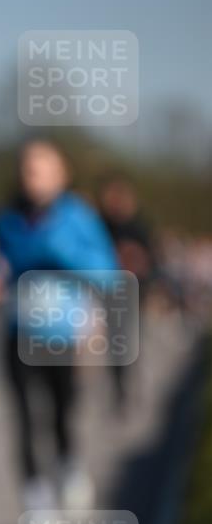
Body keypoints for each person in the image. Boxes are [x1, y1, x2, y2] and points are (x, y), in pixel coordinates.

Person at [0, 140, 118, 511]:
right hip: (18, 333)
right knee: (25, 416)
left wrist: (63, 255)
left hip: (63, 335)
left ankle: (69, 465)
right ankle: (35, 495)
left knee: (63, 411)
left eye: (41, 169)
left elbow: (108, 272)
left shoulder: (79, 217)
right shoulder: (5, 220)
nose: (32, 177)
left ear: (62, 174)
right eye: (27, 169)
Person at [97, 172, 156, 408]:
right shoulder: (102, 226)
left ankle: (135, 387)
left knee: (134, 344)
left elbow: (152, 263)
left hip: (135, 295)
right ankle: (119, 389)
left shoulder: (140, 228)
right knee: (116, 345)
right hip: (111, 295)